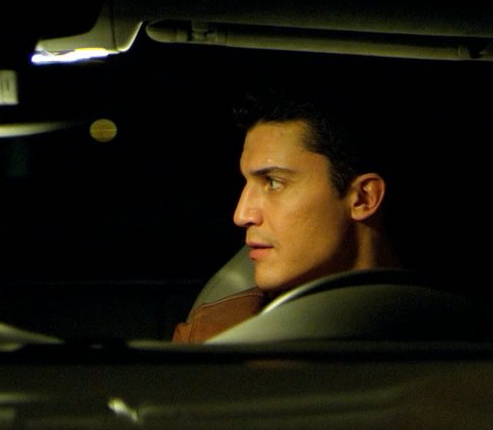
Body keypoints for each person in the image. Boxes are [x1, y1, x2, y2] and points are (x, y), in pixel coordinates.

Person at [170, 86, 406, 343]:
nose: (241, 215)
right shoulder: (215, 337)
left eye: (273, 182)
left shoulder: (438, 330)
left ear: (363, 198)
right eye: (247, 182)